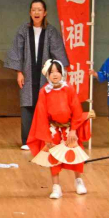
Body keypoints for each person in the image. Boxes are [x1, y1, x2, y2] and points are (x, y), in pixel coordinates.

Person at [5, 0, 69, 150]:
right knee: (27, 105)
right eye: (34, 10)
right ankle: (27, 141)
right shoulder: (23, 30)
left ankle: (46, 139)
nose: (36, 13)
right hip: (27, 73)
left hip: (45, 75)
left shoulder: (51, 31)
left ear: (45, 12)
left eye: (40, 10)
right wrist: (19, 72)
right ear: (30, 12)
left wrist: (57, 74)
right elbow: (17, 52)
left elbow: (58, 53)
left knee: (46, 106)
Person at [27, 60, 93, 199]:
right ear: (47, 75)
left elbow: (76, 109)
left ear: (62, 72)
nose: (55, 74)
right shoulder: (44, 92)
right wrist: (46, 136)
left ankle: (78, 181)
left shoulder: (68, 88)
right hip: (53, 129)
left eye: (57, 71)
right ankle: (56, 186)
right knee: (53, 157)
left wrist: (74, 130)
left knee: (75, 155)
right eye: (52, 72)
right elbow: (41, 113)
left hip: (69, 128)